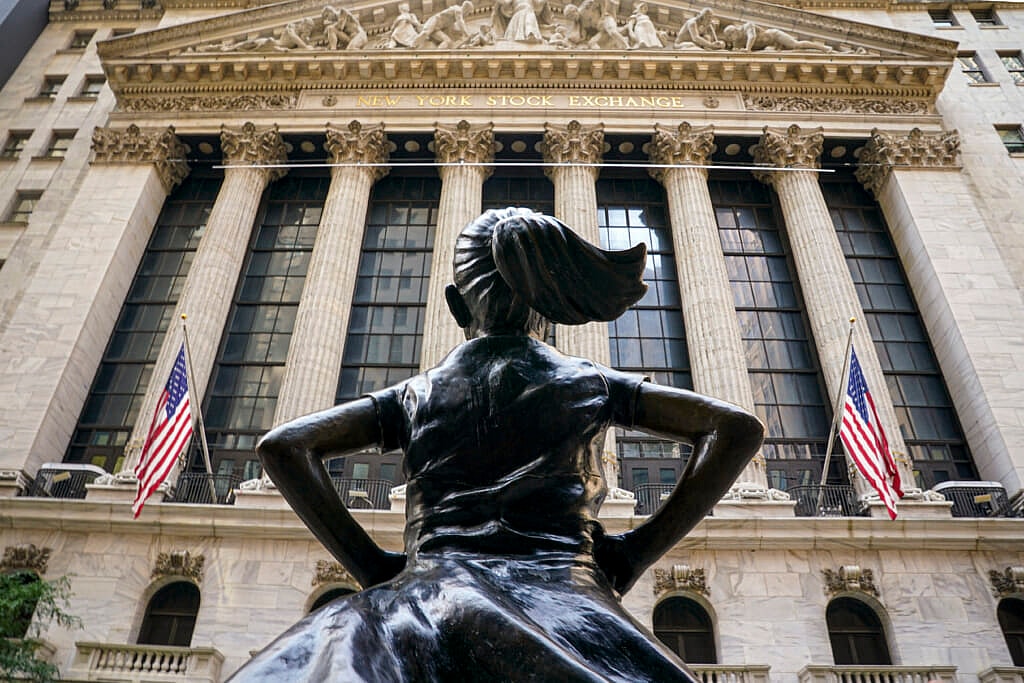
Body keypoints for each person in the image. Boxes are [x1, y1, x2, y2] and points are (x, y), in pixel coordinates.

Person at [229, 208, 764, 681]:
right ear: (545, 306)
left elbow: (285, 446)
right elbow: (735, 428)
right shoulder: (592, 384)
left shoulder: (416, 394)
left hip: (428, 599)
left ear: (456, 305)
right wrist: (633, 553)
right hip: (565, 599)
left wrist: (371, 566)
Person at [722, 21, 832, 52]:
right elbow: (734, 51)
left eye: (731, 36)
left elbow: (752, 37)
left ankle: (824, 48)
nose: (731, 39)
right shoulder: (737, 42)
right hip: (768, 47)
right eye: (729, 38)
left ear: (735, 31)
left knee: (795, 45)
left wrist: (747, 49)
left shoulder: (747, 26)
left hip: (774, 37)